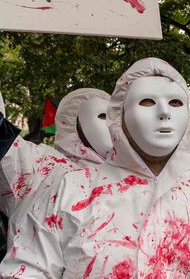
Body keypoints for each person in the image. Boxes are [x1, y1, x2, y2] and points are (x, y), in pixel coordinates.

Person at [0, 58, 190, 278]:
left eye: (176, 102)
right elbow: (28, 269)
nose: (164, 112)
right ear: (120, 115)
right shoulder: (70, 189)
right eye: (147, 101)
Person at [0, 89, 112, 218]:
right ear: (75, 125)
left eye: (116, 116)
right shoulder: (44, 167)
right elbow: (8, 149)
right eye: (103, 116)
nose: (112, 124)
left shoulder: (130, 172)